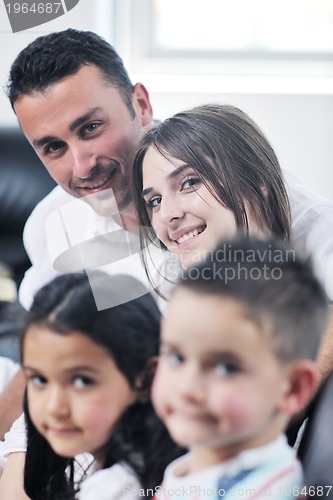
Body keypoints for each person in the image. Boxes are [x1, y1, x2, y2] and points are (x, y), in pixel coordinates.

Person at [1, 26, 333, 471]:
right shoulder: (53, 224)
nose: (82, 165)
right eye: (53, 147)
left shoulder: (252, 201)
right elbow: (41, 354)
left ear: (140, 104)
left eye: (92, 127)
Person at [131, 103, 333, 378]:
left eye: (189, 182)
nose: (166, 215)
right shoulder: (177, 292)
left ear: (256, 179)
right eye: (154, 201)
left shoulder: (320, 231)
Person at [151, 235, 329, 499]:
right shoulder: (198, 468)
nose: (187, 387)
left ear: (292, 388)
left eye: (225, 367)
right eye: (177, 357)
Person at [15, 271, 182, 499]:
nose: (55, 407)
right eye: (39, 379)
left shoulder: (118, 489)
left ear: (144, 380)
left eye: (82, 381)